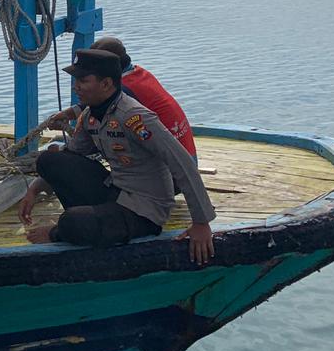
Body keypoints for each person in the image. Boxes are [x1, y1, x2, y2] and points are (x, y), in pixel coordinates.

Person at [20, 49, 216, 265]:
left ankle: (65, 230)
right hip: (116, 192)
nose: (76, 87)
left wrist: (201, 222)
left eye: (83, 80)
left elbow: (182, 163)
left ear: (106, 84)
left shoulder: (135, 117)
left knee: (71, 223)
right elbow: (73, 155)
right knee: (49, 160)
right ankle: (92, 219)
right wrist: (34, 189)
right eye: (76, 80)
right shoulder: (91, 115)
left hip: (144, 209)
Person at [41, 36, 197, 158]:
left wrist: (65, 148)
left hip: (170, 169)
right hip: (187, 154)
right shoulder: (139, 74)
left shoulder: (125, 90)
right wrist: (69, 114)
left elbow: (96, 113)